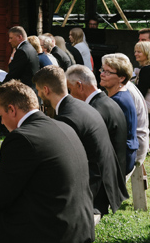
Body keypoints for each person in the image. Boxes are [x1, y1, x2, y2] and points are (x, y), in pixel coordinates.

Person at [0, 80, 95, 243]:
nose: (1, 122)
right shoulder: (63, 127)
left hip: (51, 231)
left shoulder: (22, 138)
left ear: (11, 110)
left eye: (1, 116)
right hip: (79, 226)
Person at [33, 66, 127, 215]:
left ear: (46, 90)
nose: (38, 94)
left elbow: (66, 162)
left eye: (38, 90)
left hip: (95, 192)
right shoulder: (81, 106)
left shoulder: (67, 117)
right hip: (106, 179)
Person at [67, 65, 129, 177]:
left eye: (70, 90)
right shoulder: (110, 102)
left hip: (104, 180)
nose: (70, 95)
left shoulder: (93, 111)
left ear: (79, 86)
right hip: (116, 175)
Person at [0, 26, 40, 138]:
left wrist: (1, 88)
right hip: (29, 87)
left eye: (11, 38)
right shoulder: (30, 48)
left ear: (19, 37)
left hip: (23, 90)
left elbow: (13, 74)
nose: (9, 41)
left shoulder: (22, 51)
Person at [99, 54, 139, 174]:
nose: (102, 74)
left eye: (108, 72)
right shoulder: (119, 95)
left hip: (120, 158)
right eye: (102, 70)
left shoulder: (118, 100)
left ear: (121, 78)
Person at [133, 41, 150, 107]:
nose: (135, 54)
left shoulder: (146, 70)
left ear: (147, 53)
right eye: (135, 51)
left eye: (139, 52)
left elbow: (140, 93)